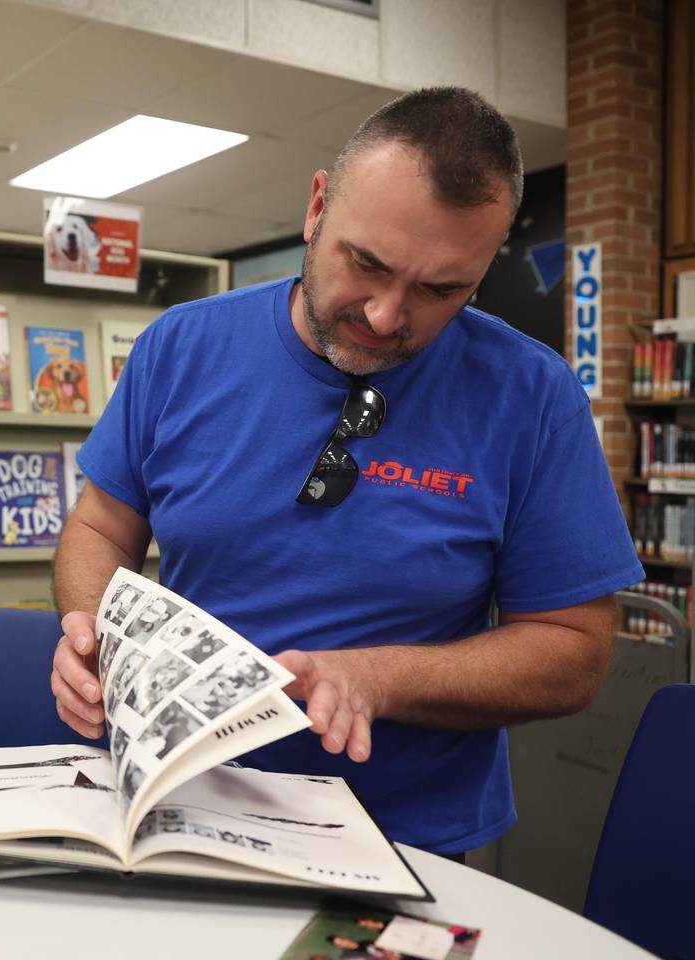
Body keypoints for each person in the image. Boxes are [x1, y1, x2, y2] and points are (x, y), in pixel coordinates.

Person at [48, 87, 643, 856]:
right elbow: (100, 525)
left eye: (442, 290)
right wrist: (95, 633)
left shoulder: (532, 395)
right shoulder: (180, 346)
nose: (389, 316)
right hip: (171, 804)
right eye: (367, 263)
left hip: (403, 838)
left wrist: (382, 677)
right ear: (318, 207)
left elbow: (574, 650)